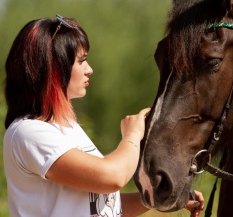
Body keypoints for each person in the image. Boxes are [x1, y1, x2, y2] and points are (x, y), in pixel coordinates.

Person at [3, 15, 204, 217]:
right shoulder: (29, 133)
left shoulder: (67, 127)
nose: (89, 70)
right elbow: (113, 176)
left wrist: (158, 197)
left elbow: (104, 206)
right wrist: (132, 137)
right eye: (81, 61)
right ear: (54, 69)